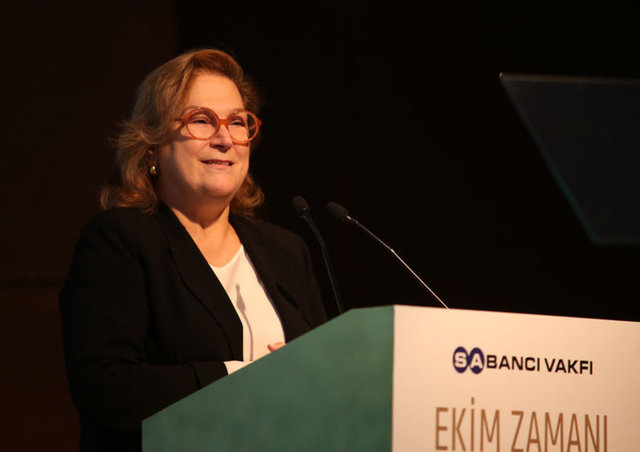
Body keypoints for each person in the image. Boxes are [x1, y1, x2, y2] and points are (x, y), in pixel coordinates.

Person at [59, 48, 328, 451]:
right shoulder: (119, 241)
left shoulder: (285, 250)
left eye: (237, 122)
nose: (225, 139)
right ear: (151, 145)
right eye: (201, 120)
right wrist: (243, 378)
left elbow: (326, 378)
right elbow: (106, 388)